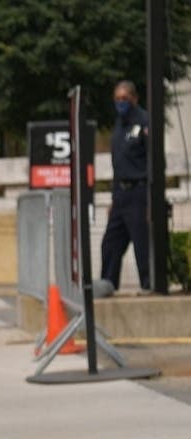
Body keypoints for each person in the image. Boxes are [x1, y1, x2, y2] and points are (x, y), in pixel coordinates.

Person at [101, 80, 149, 293]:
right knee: (110, 245)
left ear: (134, 99)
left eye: (125, 99)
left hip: (139, 192)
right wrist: (113, 198)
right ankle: (108, 285)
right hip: (120, 195)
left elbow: (154, 161)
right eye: (117, 99)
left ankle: (150, 286)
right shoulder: (119, 125)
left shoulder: (144, 122)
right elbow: (117, 165)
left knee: (142, 245)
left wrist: (151, 196)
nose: (121, 103)